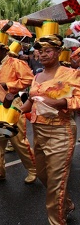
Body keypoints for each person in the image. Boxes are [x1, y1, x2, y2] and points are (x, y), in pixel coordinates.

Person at [21, 33, 80, 224]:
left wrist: (57, 102)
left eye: (48, 51)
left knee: (56, 181)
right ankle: (66, 203)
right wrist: (11, 112)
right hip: (38, 131)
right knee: (42, 174)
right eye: (40, 51)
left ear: (58, 52)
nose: (43, 54)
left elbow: (78, 99)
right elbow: (31, 102)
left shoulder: (70, 74)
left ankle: (56, 220)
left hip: (61, 131)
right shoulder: (37, 75)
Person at [0, 31, 36, 184]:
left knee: (17, 140)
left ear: (5, 49)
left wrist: (9, 85)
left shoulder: (16, 63)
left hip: (13, 104)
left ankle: (34, 169)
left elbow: (28, 79)